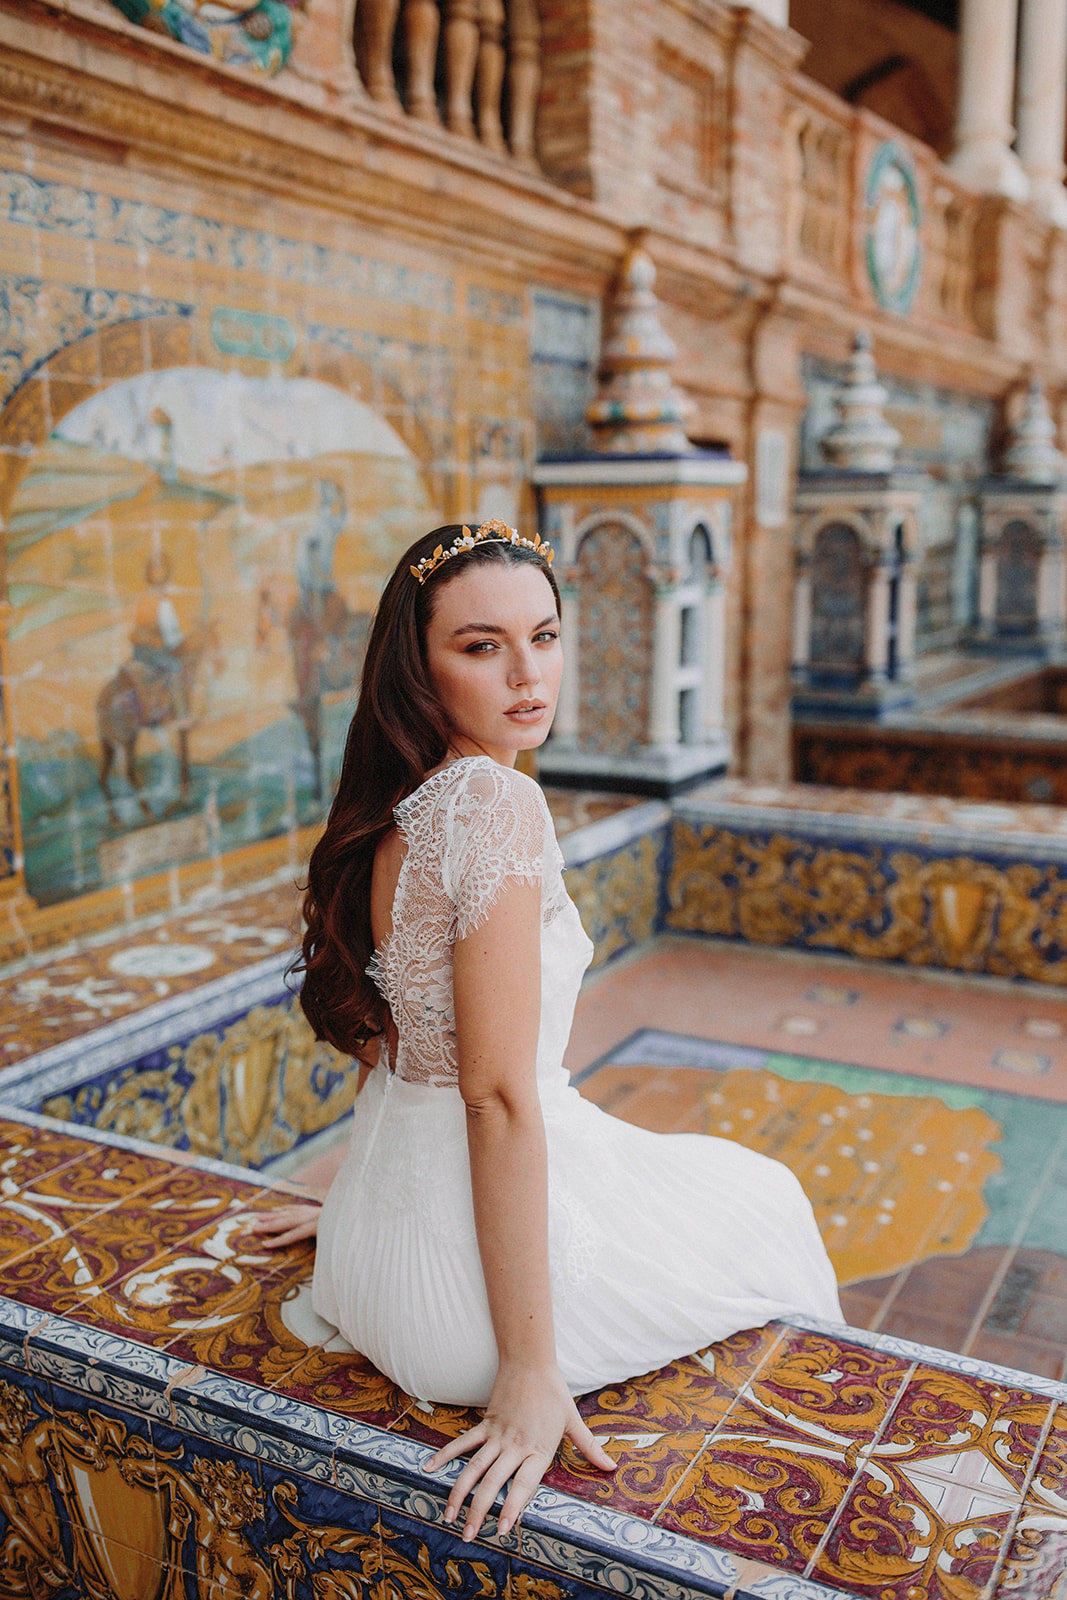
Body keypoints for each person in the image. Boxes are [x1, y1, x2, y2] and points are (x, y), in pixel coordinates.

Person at [248, 516, 842, 1542]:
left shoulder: (396, 799)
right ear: (418, 666)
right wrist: (529, 1370)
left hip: (363, 1261)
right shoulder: (489, 802)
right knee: (769, 1200)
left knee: (701, 1179)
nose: (528, 674)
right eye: (481, 646)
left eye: (545, 635)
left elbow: (390, 1048)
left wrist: (354, 1201)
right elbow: (495, 1095)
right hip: (457, 1315)